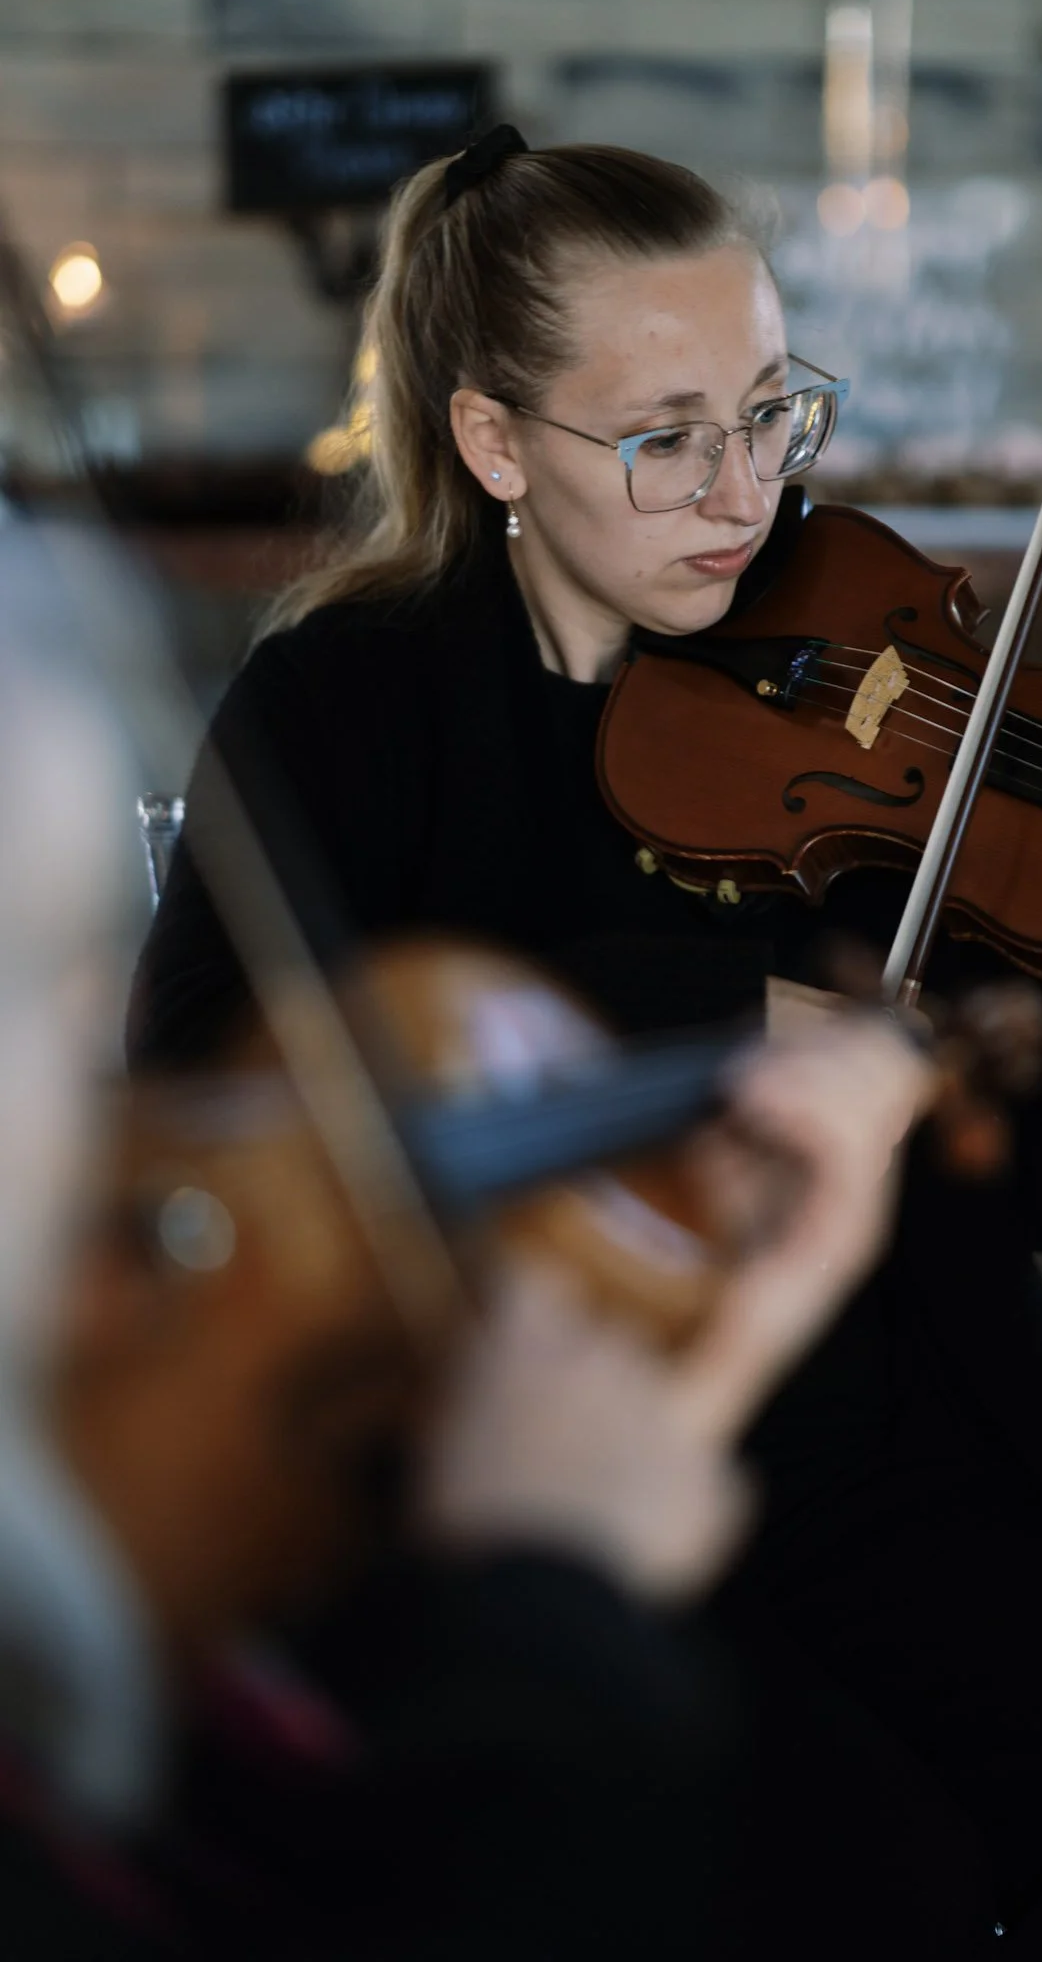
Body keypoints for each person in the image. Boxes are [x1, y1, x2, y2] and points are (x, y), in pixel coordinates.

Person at [128, 129, 1042, 1957]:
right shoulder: (349, 706)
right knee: (873, 1878)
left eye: (773, 411)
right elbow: (230, 1103)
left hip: (875, 1469)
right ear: (493, 448)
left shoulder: (851, 667)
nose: (743, 493)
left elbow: (991, 1150)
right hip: (530, 1484)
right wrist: (714, 1012)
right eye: (666, 437)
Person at [0, 521, 935, 1957]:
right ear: (501, 444)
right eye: (48, 971)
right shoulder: (343, 692)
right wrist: (546, 1621)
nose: (119, 1102)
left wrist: (729, 1348)